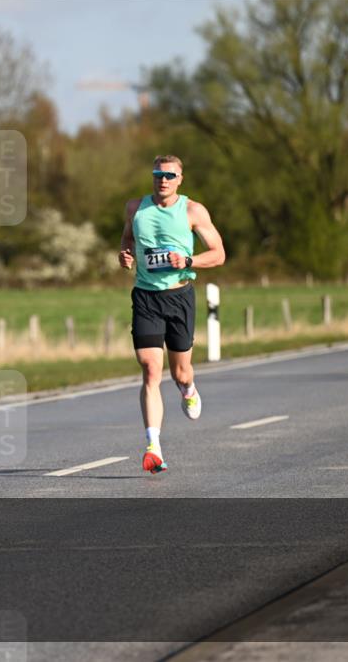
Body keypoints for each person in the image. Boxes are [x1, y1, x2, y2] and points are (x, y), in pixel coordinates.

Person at [118, 155, 225, 474]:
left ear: (180, 179)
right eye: (157, 174)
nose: (162, 180)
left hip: (179, 297)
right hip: (146, 297)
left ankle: (188, 389)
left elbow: (219, 254)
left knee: (181, 372)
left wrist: (188, 261)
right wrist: (124, 255)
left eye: (169, 175)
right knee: (151, 369)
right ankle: (153, 446)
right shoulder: (135, 208)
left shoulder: (193, 211)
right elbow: (127, 238)